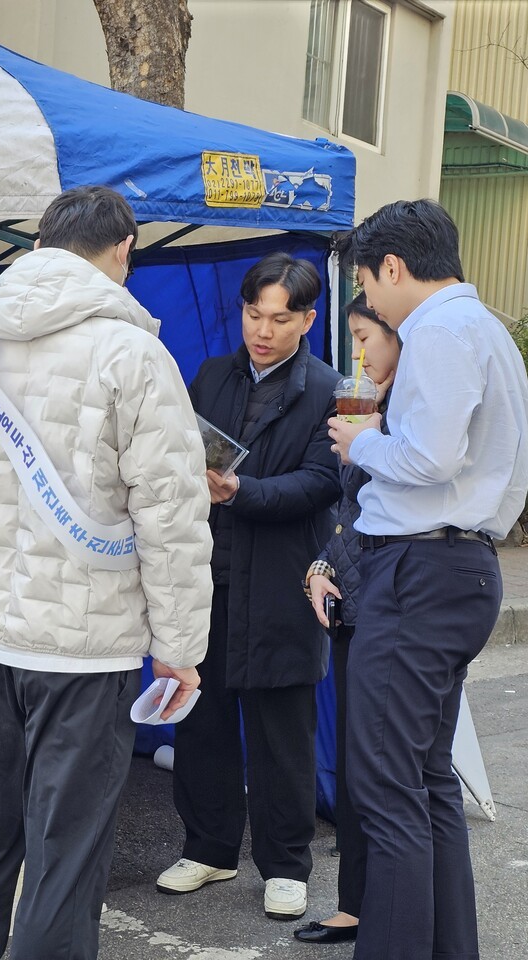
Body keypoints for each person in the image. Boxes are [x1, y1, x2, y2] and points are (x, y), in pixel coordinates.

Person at [0, 185, 212, 960]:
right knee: (66, 852)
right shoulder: (133, 353)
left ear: (41, 243)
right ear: (122, 249)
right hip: (84, 643)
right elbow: (172, 515)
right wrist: (180, 647)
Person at [327, 199, 528, 960]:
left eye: (369, 290)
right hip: (461, 567)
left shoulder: (439, 331)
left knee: (387, 790)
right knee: (426, 779)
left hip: (419, 570)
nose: (370, 306)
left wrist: (362, 440)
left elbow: (427, 457)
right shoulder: (490, 332)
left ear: (393, 267)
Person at [159, 252, 341, 921]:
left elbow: (326, 482)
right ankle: (207, 848)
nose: (261, 330)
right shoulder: (210, 375)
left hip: (282, 585)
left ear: (307, 319)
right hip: (210, 577)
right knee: (201, 723)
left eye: (278, 318)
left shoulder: (329, 389)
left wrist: (241, 489)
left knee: (281, 735)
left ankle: (286, 865)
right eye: (252, 314)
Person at [295, 294, 400, 945]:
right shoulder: (371, 409)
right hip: (352, 602)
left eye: (365, 337)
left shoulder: (412, 420)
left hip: (393, 608)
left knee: (389, 768)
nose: (359, 355)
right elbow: (351, 516)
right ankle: (357, 903)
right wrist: (318, 567)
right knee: (363, 762)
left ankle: (381, 907)